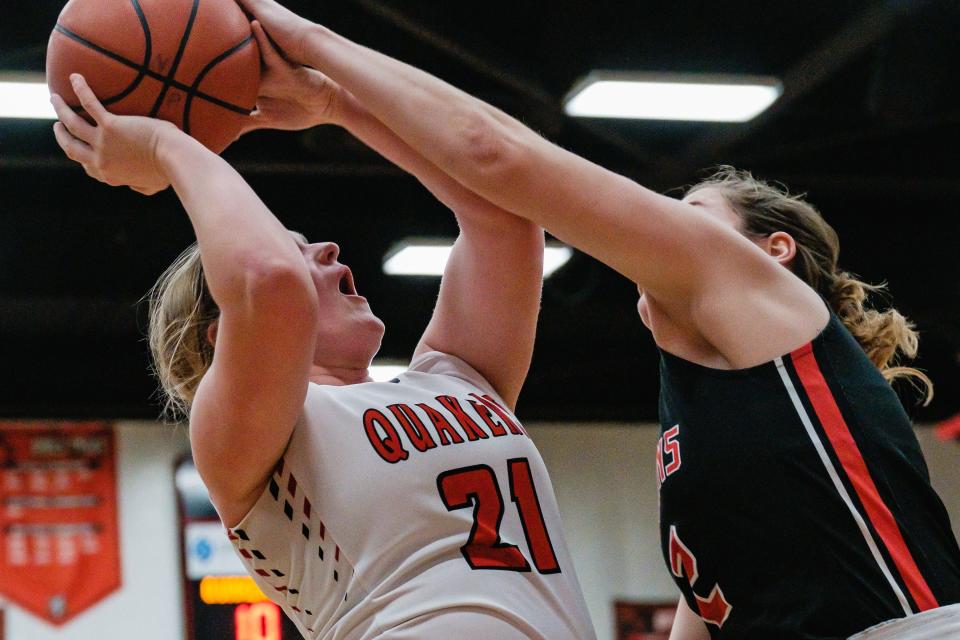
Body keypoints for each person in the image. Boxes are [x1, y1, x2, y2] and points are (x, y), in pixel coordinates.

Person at [226, 2, 960, 638]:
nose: (663, 226)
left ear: (773, 253)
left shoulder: (753, 300)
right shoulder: (695, 430)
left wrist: (322, 57)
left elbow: (494, 160)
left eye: (690, 216)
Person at [49, 63, 597, 638]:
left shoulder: (456, 377)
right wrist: (167, 146)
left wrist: (342, 106)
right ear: (222, 335)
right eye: (297, 247)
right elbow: (268, 278)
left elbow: (505, 213)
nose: (329, 248)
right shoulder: (239, 437)